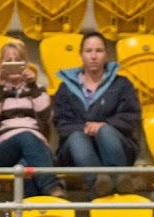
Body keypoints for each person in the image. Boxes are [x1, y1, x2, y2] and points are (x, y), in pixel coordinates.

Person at [53, 31, 142, 198]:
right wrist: (86, 128)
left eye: (99, 51)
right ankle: (99, 183)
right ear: (81, 54)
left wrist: (103, 126)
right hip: (77, 151)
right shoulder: (65, 88)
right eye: (88, 51)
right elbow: (61, 122)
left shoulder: (122, 84)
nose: (93, 56)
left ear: (106, 54)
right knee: (76, 138)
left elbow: (131, 116)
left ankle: (119, 178)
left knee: (105, 131)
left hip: (117, 146)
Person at [0, 41, 66, 198]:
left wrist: (33, 85)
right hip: (4, 151)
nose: (13, 64)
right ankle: (51, 186)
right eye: (8, 60)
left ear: (25, 64)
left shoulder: (37, 87)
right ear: (0, 64)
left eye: (18, 60)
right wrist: (0, 88)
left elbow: (46, 117)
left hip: (37, 148)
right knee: (25, 135)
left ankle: (32, 211)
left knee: (25, 165)